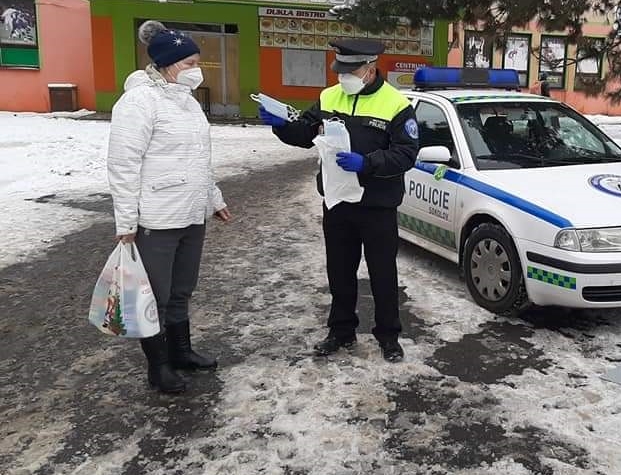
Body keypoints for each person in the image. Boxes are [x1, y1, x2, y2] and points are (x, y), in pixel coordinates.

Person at [259, 39, 418, 363]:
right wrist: (281, 126)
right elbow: (306, 133)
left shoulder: (396, 104)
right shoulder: (329, 96)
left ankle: (389, 335)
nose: (343, 77)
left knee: (382, 274)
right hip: (337, 202)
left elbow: (406, 153)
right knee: (340, 271)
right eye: (340, 70)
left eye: (350, 70)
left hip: (377, 204)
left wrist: (368, 163)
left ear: (370, 68)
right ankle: (341, 329)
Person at [107, 20, 231, 394]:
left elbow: (199, 159)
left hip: (192, 214)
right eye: (190, 63)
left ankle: (182, 352)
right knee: (155, 296)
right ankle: (158, 367)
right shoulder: (138, 102)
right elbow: (123, 165)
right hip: (156, 219)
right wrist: (126, 222)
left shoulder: (188, 103)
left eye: (197, 62)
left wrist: (214, 198)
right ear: (168, 63)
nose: (196, 70)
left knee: (181, 290)